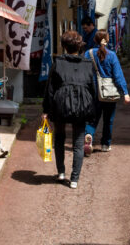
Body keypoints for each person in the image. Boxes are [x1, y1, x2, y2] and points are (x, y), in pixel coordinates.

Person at [42, 29, 99, 189]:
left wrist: (46, 110)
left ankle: (61, 172)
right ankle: (74, 179)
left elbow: (50, 89)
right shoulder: (87, 64)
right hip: (82, 105)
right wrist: (92, 108)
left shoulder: (58, 63)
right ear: (79, 46)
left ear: (64, 46)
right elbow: (92, 89)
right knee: (78, 143)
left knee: (59, 138)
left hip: (60, 104)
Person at [84, 30, 130, 152]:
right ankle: (105, 144)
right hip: (109, 92)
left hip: (93, 92)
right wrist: (125, 92)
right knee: (108, 120)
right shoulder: (112, 55)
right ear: (107, 40)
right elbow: (118, 75)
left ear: (94, 40)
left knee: (92, 118)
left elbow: (83, 72)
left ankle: (88, 135)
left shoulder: (88, 54)